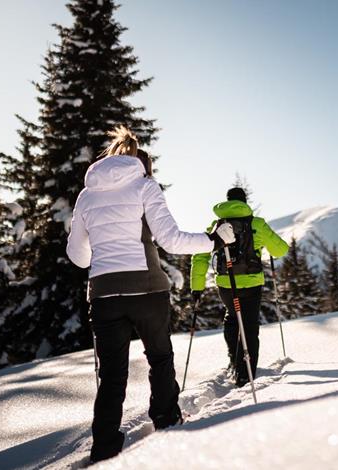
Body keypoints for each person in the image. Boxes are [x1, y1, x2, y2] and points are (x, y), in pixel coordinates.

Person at [66, 126, 235, 463]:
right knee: (159, 357)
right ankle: (166, 419)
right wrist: (215, 240)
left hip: (103, 294)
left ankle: (103, 448)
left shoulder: (87, 195)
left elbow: (78, 256)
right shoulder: (145, 186)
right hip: (147, 289)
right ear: (141, 163)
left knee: (111, 374)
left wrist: (102, 252)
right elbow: (170, 240)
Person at [190, 187, 289, 387]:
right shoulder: (257, 224)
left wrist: (197, 287)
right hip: (252, 283)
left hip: (226, 283)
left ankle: (234, 361)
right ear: (244, 201)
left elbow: (200, 256)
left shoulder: (216, 224)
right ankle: (245, 373)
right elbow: (281, 250)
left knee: (232, 317)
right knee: (250, 325)